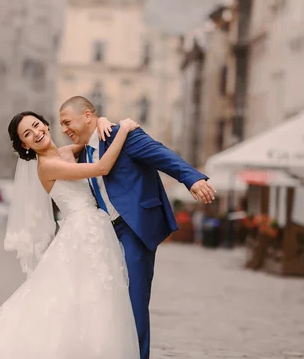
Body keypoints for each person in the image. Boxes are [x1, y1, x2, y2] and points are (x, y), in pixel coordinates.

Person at [0, 113, 140, 359]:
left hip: (93, 228)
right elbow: (101, 167)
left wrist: (102, 120)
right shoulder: (48, 165)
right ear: (25, 145)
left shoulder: (64, 152)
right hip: (82, 231)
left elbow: (90, 139)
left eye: (36, 125)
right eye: (27, 134)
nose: (36, 133)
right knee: (87, 295)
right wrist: (125, 128)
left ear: (46, 125)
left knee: (93, 297)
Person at [58, 96, 216, 359]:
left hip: (134, 227)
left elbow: (161, 154)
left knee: (134, 301)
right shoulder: (83, 150)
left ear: (87, 116)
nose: (64, 129)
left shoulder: (124, 135)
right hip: (105, 233)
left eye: (66, 122)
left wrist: (192, 179)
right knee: (110, 301)